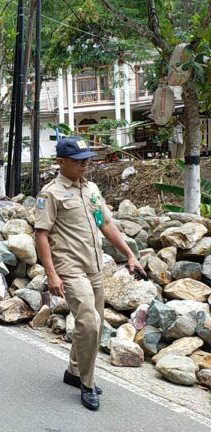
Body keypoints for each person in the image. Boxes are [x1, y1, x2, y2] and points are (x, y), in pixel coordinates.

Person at [35, 136, 146, 411]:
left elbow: (104, 223)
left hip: (94, 266)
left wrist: (129, 255)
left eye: (87, 160)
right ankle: (87, 382)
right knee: (89, 322)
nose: (85, 165)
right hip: (70, 269)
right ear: (61, 163)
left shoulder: (91, 189)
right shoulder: (51, 193)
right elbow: (41, 235)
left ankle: (73, 371)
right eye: (78, 161)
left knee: (92, 325)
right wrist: (52, 274)